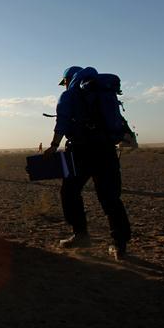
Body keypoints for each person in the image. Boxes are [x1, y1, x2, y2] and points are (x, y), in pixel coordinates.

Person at [44, 65, 132, 261]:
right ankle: (120, 246)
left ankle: (80, 235)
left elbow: (63, 122)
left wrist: (53, 145)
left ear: (68, 80)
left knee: (70, 192)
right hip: (106, 150)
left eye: (64, 82)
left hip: (80, 151)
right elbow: (117, 119)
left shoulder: (68, 96)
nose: (64, 85)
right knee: (110, 198)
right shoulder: (104, 93)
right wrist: (128, 137)